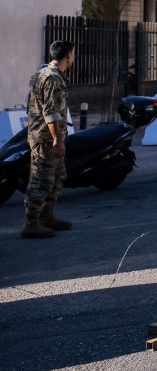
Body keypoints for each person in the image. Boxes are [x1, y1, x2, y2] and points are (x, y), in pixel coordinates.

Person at [22, 40, 76, 239]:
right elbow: (50, 112)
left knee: (58, 176)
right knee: (41, 180)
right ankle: (30, 222)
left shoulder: (41, 73)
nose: (74, 56)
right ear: (68, 54)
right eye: (74, 52)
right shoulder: (52, 77)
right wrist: (57, 139)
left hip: (44, 135)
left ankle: (46, 215)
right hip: (46, 138)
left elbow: (31, 104)